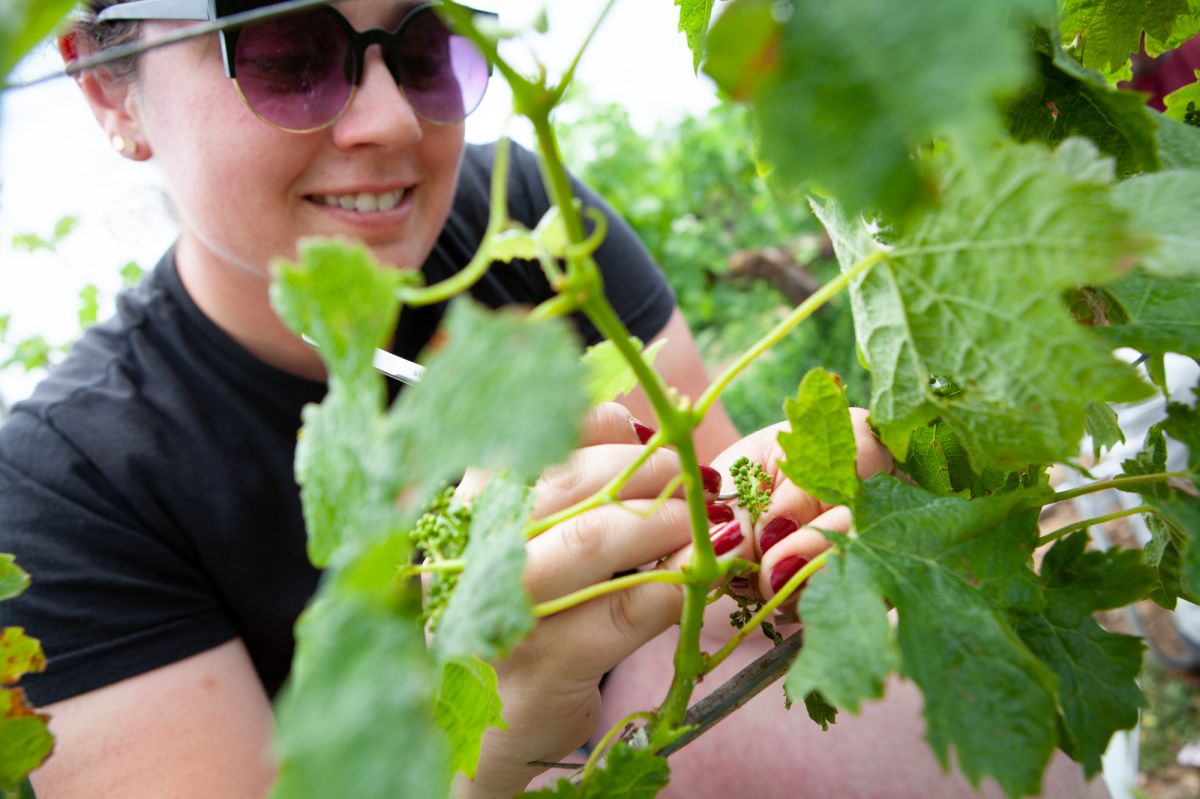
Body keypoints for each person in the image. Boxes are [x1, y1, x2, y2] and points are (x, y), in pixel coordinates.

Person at [0, 1, 1109, 797]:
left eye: (427, 47)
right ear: (109, 93)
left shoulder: (532, 217)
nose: (390, 120)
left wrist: (783, 535)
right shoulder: (59, 489)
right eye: (289, 54)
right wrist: (483, 749)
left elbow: (723, 531)